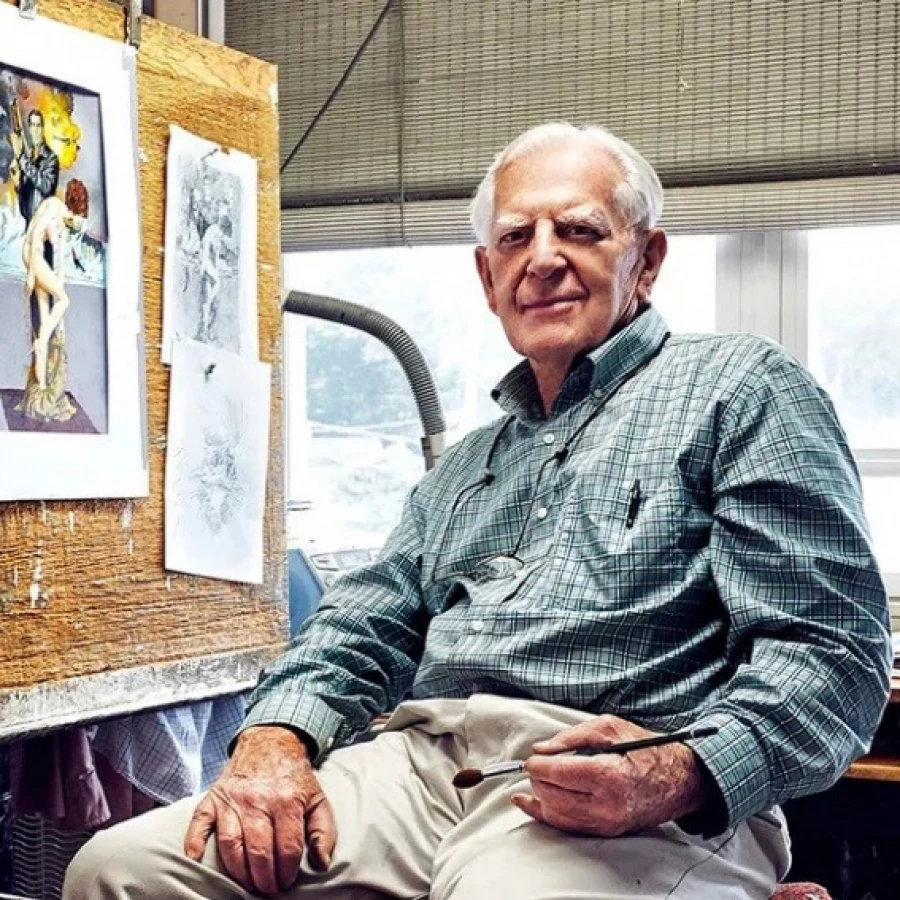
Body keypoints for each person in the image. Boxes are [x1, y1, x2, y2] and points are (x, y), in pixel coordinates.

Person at [64, 123, 891, 900]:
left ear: (647, 260)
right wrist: (274, 742)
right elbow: (359, 626)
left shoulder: (741, 388)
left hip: (641, 778)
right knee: (119, 871)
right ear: (487, 278)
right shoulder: (467, 465)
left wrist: (678, 771)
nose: (543, 259)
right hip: (430, 763)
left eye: (580, 230)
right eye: (515, 238)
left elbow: (833, 652)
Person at [17, 178, 88, 403]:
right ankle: (42, 340)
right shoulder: (54, 207)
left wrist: (61, 321)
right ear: (74, 209)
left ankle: (42, 386)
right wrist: (31, 275)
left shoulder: (63, 225)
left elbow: (60, 267)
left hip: (39, 261)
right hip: (31, 254)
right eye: (77, 219)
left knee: (47, 315)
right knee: (64, 300)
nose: (75, 224)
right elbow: (35, 236)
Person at [11, 108, 60, 223]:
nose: (36, 130)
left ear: (43, 128)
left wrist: (21, 158)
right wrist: (18, 184)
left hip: (44, 224)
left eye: (38, 125)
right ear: (30, 129)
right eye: (33, 125)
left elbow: (46, 187)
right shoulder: (28, 158)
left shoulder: (51, 158)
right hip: (29, 223)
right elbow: (25, 196)